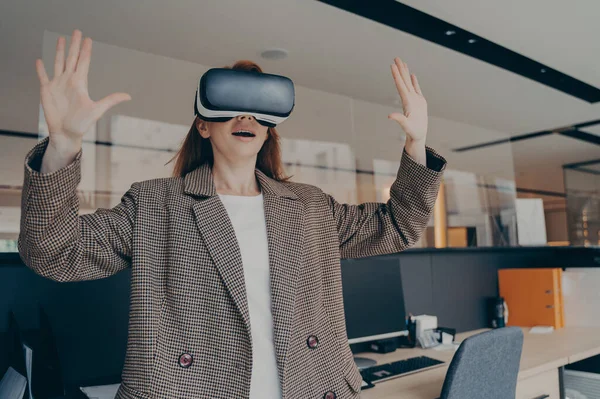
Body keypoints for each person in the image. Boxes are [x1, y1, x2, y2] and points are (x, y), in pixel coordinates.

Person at [18, 29, 446, 399]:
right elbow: (53, 253)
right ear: (204, 124)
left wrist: (416, 146)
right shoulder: (154, 206)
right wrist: (63, 146)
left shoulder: (311, 207)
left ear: (269, 124)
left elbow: (398, 226)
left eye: (259, 107)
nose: (245, 116)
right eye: (230, 105)